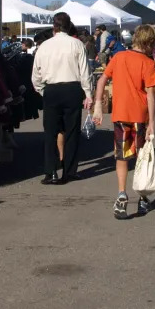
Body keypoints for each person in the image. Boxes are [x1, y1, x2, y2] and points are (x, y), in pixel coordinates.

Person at [93, 24, 155, 219]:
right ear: (148, 44)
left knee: (121, 156)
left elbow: (101, 80)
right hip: (140, 115)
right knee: (141, 157)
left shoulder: (119, 57)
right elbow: (151, 95)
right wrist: (152, 122)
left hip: (120, 115)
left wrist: (98, 104)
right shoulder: (148, 63)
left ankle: (122, 194)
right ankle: (142, 197)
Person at [32, 12, 94, 185]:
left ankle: (51, 172)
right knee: (72, 131)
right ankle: (70, 171)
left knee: (50, 132)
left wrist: (42, 90)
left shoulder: (44, 46)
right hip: (72, 89)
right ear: (68, 26)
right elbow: (85, 72)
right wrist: (88, 94)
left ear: (54, 27)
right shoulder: (77, 44)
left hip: (51, 89)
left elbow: (36, 74)